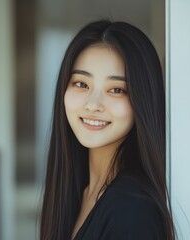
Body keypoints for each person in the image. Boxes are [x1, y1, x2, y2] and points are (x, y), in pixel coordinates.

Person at [40, 20, 176, 240]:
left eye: (116, 89)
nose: (93, 104)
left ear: (142, 101)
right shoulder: (77, 192)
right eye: (81, 84)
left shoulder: (132, 209)